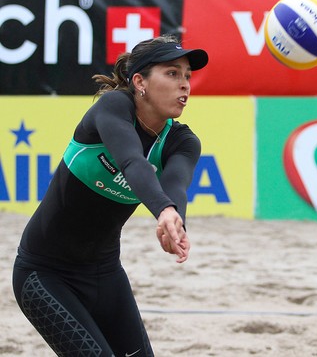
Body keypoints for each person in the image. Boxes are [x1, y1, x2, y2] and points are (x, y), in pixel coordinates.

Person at [12, 35, 208, 356]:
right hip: (43, 273)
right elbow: (131, 162)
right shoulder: (114, 106)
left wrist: (175, 217)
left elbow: (175, 185)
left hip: (105, 275)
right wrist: (162, 209)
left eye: (187, 75)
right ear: (139, 81)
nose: (185, 84)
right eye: (172, 73)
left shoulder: (183, 141)